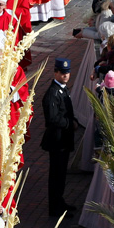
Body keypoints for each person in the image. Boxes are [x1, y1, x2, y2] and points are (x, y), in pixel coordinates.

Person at [40, 57, 78, 218]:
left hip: (63, 139)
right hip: (57, 140)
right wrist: (70, 124)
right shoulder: (53, 93)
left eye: (67, 72)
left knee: (61, 173)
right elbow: (53, 119)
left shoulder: (62, 89)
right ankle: (54, 207)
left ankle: (59, 201)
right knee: (56, 174)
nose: (65, 75)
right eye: (62, 73)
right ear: (55, 72)